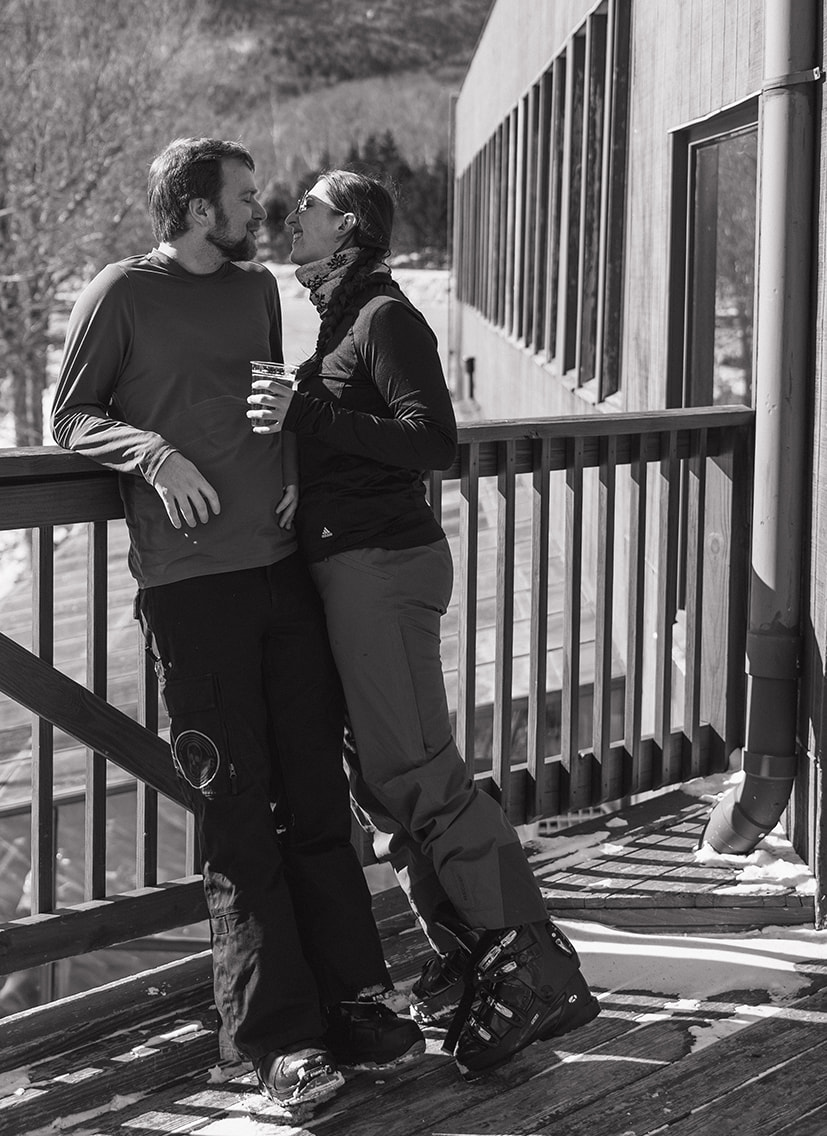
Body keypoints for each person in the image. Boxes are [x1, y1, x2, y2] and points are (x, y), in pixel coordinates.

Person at [50, 138, 422, 1116]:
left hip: (281, 574)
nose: (261, 209)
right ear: (189, 203)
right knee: (237, 811)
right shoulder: (119, 293)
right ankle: (275, 1039)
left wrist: (295, 471)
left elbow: (269, 400)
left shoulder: (258, 292)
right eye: (244, 196)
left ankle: (358, 999)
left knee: (313, 798)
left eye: (262, 197)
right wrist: (152, 453)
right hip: (191, 591)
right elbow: (68, 416)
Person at [247, 169, 600, 1079]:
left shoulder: (382, 317)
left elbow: (429, 439)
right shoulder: (339, 317)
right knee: (379, 777)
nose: (294, 220)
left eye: (312, 212)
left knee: (415, 769)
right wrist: (301, 474)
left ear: (351, 228)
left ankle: (533, 960)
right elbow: (344, 433)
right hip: (349, 563)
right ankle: (473, 945)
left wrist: (308, 413)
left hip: (384, 568)